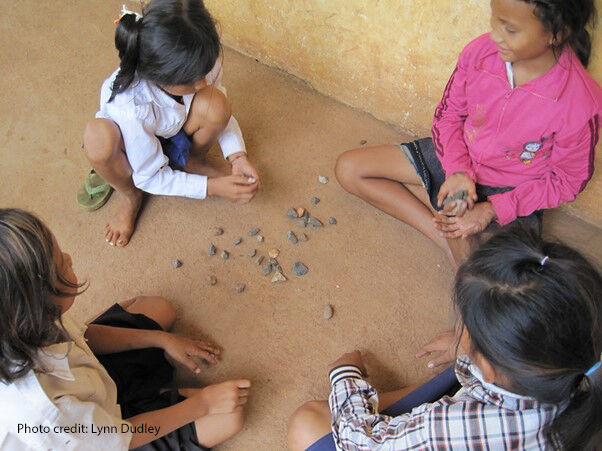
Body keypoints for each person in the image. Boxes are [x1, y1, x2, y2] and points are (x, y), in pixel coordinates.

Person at [335, 0, 601, 267]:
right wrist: (458, 171)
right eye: (495, 19)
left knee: (486, 284)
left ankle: (461, 245)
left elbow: (567, 180)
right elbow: (448, 115)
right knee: (349, 168)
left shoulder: (580, 102)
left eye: (510, 29)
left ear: (557, 33)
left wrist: (493, 209)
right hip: (458, 155)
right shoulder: (480, 53)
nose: (496, 34)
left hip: (513, 189)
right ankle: (444, 237)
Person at [288, 225, 602, 450]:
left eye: (467, 327)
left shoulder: (449, 427)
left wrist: (345, 375)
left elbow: (359, 442)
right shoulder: (586, 370)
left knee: (308, 421)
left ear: (490, 366)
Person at [0, 208, 251, 450]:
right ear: (34, 307)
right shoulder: (46, 415)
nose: (69, 258)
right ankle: (152, 398)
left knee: (158, 309)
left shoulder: (20, 321)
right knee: (230, 415)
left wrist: (161, 339)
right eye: (61, 267)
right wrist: (204, 404)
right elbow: (123, 437)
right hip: (104, 438)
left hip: (86, 386)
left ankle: (149, 393)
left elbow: (83, 336)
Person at [83, 0, 260, 248]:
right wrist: (209, 187)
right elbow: (150, 177)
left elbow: (215, 99)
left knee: (216, 102)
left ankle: (192, 159)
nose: (202, 83)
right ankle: (130, 196)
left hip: (171, 129)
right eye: (191, 81)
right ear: (155, 75)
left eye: (205, 71)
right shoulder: (131, 107)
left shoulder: (199, 59)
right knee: (97, 140)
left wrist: (237, 155)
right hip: (132, 151)